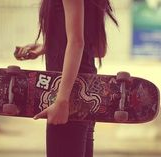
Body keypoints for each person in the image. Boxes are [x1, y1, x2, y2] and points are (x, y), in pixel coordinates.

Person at [14, 0, 118, 157]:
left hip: (66, 95)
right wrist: (46, 47)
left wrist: (62, 100)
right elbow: (98, 48)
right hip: (87, 95)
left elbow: (77, 42)